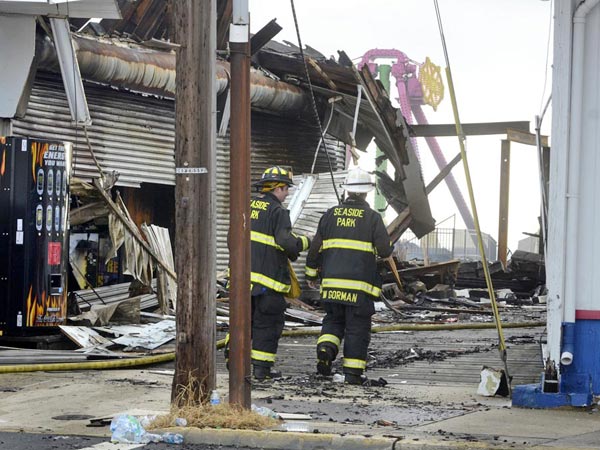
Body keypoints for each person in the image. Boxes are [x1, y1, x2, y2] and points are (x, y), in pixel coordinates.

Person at [305, 167, 393, 386]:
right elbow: (384, 251)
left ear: (346, 190)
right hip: (359, 289)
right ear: (366, 193)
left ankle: (326, 349)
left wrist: (311, 274)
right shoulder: (373, 218)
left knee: (333, 321)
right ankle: (352, 373)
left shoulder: (329, 215)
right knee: (356, 328)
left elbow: (315, 249)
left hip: (331, 286)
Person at [247, 166, 310, 380]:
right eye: (286, 188)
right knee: (268, 325)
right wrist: (305, 242)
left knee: (243, 322)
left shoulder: (247, 206)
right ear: (278, 188)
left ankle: (233, 359)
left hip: (243, 281)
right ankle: (261, 370)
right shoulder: (278, 212)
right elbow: (285, 242)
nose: (288, 193)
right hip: (268, 283)